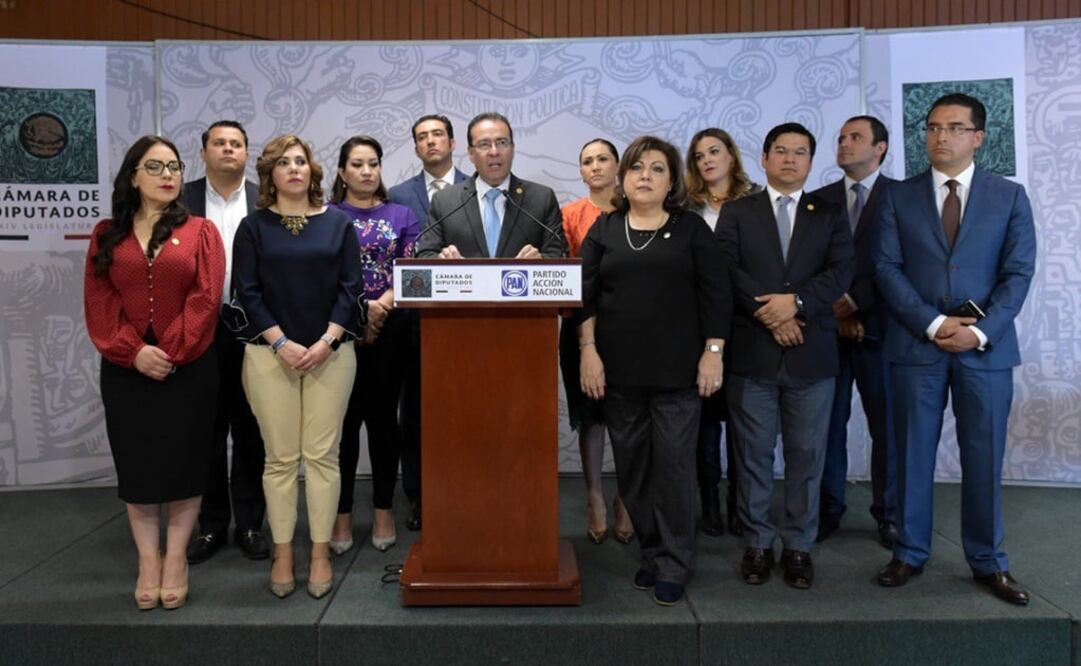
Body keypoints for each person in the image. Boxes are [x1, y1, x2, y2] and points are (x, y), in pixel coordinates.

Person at [874, 93, 1036, 605]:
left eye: (954, 128)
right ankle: (910, 552)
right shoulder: (897, 197)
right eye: (932, 127)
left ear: (978, 137)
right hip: (917, 345)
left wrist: (978, 332)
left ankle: (988, 561)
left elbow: (1018, 273)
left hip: (985, 351)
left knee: (983, 456)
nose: (940, 137)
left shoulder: (1009, 197)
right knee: (911, 453)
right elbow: (885, 268)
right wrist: (935, 322)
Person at [579, 135, 731, 606]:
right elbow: (582, 296)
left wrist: (713, 352)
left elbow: (716, 295)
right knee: (633, 472)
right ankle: (652, 552)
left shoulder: (691, 231)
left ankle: (675, 562)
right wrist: (588, 349)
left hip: (678, 375)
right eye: (637, 167)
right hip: (618, 373)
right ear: (623, 178)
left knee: (673, 469)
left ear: (671, 181)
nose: (645, 175)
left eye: (657, 168)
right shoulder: (604, 230)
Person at [84, 135, 226, 610]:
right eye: (156, 166)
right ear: (133, 176)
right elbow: (100, 302)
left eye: (174, 166)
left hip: (187, 366)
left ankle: (176, 559)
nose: (168, 175)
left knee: (186, 463)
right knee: (140, 466)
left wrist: (169, 350)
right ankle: (149, 560)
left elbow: (206, 297)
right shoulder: (107, 234)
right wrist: (132, 352)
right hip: (127, 373)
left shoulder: (202, 231)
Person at [716, 123, 854, 590]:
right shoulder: (738, 211)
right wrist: (771, 313)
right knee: (752, 456)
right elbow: (726, 269)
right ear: (765, 157)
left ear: (812, 162)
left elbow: (840, 272)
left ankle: (798, 546)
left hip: (811, 355)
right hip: (753, 354)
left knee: (806, 456)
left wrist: (794, 305)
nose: (790, 159)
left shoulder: (829, 213)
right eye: (781, 151)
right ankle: (756, 542)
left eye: (800, 152)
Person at [231, 134, 364, 599]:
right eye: (283, 163)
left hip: (333, 353)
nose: (293, 169)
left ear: (313, 171)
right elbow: (247, 292)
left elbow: (352, 290)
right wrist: (282, 342)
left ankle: (321, 551)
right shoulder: (253, 227)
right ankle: (284, 551)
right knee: (281, 459)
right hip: (269, 356)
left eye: (301, 161)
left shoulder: (339, 224)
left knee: (323, 457)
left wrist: (327, 341)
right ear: (270, 174)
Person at [181, 120, 269, 564]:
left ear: (246, 153)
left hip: (255, 331)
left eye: (236, 143)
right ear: (204, 152)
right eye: (220, 143)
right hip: (198, 332)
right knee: (207, 434)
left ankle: (251, 523)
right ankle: (212, 525)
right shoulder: (181, 199)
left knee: (252, 430)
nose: (228, 149)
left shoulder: (265, 200)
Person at [329, 135, 420, 554]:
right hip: (339, 333)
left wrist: (381, 305)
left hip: (393, 332)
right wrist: (360, 310)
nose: (366, 171)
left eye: (373, 164)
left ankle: (384, 507)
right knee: (344, 426)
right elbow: (323, 274)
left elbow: (412, 270)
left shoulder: (402, 214)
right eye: (357, 164)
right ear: (343, 171)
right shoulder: (326, 216)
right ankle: (342, 513)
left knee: (385, 424)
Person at [811, 115, 898, 548]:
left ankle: (890, 514)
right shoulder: (819, 200)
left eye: (856, 138)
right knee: (827, 426)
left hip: (882, 331)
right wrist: (839, 310)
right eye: (841, 137)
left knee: (888, 428)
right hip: (827, 329)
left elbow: (904, 264)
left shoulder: (902, 198)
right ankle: (828, 509)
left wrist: (858, 302)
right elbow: (810, 264)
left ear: (880, 147)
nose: (844, 144)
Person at [388, 114, 469, 532]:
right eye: (422, 137)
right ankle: (419, 497)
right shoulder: (398, 194)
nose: (430, 142)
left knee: (465, 414)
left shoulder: (482, 189)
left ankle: (466, 490)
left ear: (453, 142)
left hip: (468, 327)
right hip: (414, 325)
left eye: (438, 134)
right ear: (416, 148)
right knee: (416, 414)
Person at [684, 127, 761, 537]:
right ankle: (710, 501)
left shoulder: (757, 202)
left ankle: (740, 503)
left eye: (715, 151)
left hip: (748, 323)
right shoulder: (685, 208)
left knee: (745, 423)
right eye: (699, 156)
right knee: (705, 424)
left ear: (731, 156)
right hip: (699, 326)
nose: (707, 160)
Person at [560, 138, 634, 545]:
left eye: (603, 158)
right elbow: (567, 273)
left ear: (618, 165)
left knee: (628, 417)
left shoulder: (637, 211)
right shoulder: (570, 214)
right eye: (587, 161)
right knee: (590, 418)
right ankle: (594, 499)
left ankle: (626, 497)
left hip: (630, 330)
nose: (595, 166)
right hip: (579, 326)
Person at [414, 111, 565, 259]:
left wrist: (540, 261)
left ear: (512, 149)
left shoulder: (541, 198)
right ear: (471, 153)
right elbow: (424, 255)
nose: (494, 152)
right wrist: (445, 263)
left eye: (502, 143)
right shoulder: (445, 201)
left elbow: (560, 254)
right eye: (484, 144)